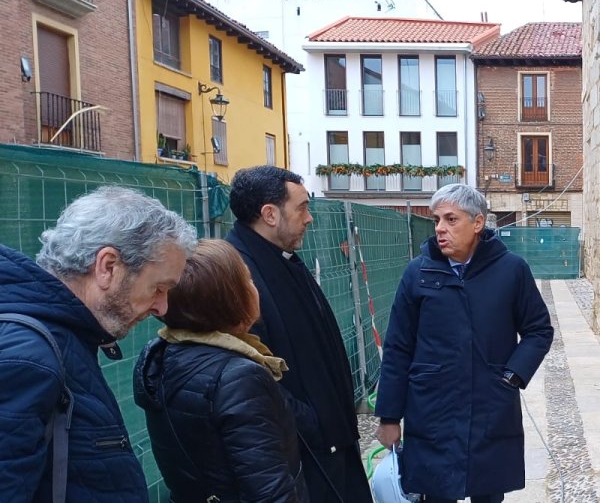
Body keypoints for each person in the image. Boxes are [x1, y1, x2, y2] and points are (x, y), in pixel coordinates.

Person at [0, 186, 197, 502]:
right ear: (108, 266)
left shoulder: (64, 339)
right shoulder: (28, 357)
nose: (162, 307)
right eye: (158, 288)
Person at [375, 183, 554, 503]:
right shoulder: (418, 274)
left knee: (487, 493)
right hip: (432, 411)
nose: (440, 228)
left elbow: (539, 330)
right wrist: (389, 417)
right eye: (436, 220)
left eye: (451, 219)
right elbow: (398, 347)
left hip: (490, 408)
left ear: (478, 223)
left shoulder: (511, 270)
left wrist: (513, 375)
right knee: (436, 493)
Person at [225, 166, 372, 503]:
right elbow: (249, 373)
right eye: (302, 208)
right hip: (301, 453)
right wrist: (312, 421)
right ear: (270, 214)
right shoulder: (237, 276)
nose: (309, 219)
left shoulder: (281, 258)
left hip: (326, 442)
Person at [134, 239, 308, 503]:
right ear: (230, 298)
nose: (255, 287)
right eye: (247, 279)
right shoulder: (238, 378)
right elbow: (270, 491)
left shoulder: (163, 357)